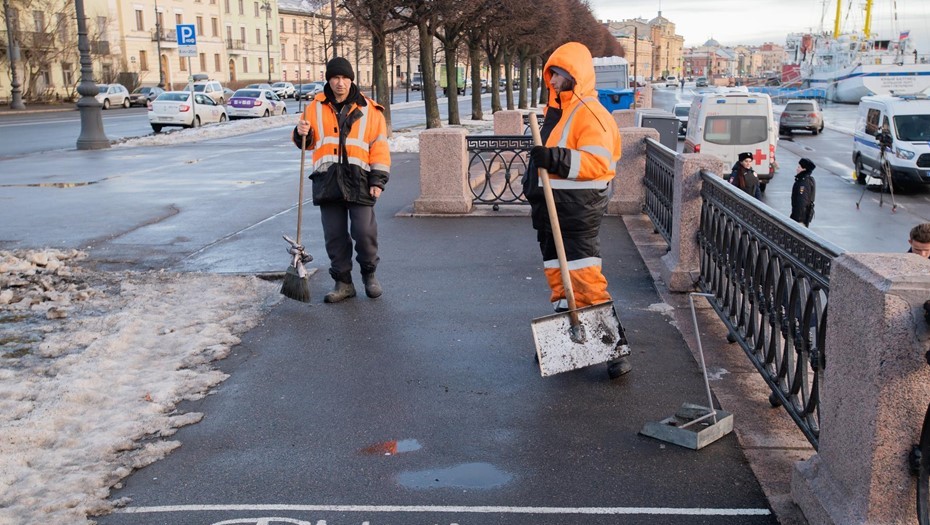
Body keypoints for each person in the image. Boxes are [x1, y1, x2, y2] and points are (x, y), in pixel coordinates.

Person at [523, 42, 630, 378]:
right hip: (552, 208)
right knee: (559, 277)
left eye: (558, 74)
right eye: (551, 74)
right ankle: (566, 341)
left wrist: (553, 158)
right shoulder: (559, 111)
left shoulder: (591, 113)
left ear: (574, 75)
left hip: (575, 209)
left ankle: (614, 349)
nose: (552, 80)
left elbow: (598, 162)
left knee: (584, 278)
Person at [293, 57, 390, 303]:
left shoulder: (370, 109)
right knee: (334, 236)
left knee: (364, 232)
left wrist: (377, 180)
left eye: (345, 78)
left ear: (351, 80)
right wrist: (300, 133)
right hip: (327, 180)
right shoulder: (314, 108)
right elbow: (308, 143)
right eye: (335, 78)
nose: (340, 83)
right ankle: (343, 283)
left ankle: (369, 275)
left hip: (360, 180)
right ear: (328, 80)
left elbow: (379, 147)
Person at [790, 158, 816, 227]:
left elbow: (802, 202)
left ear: (804, 169)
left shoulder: (803, 183)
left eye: (799, 167)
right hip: (801, 217)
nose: (797, 169)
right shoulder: (805, 180)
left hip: (800, 219)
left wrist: (798, 220)